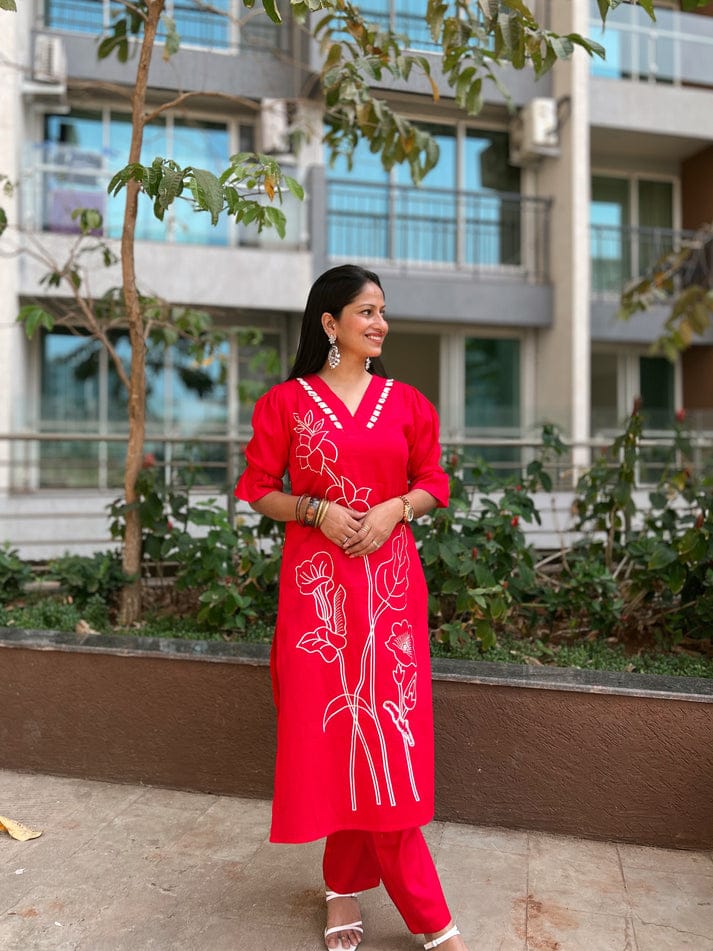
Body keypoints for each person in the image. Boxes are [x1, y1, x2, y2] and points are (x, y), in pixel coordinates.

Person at [234, 264, 469, 951]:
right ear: (329, 324)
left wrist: (396, 505)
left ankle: (426, 915)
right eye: (365, 311)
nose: (379, 323)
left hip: (390, 594)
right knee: (337, 740)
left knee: (386, 743)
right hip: (318, 600)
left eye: (382, 311)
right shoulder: (286, 403)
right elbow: (257, 488)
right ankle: (348, 889)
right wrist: (315, 508)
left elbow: (434, 480)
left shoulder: (406, 402)